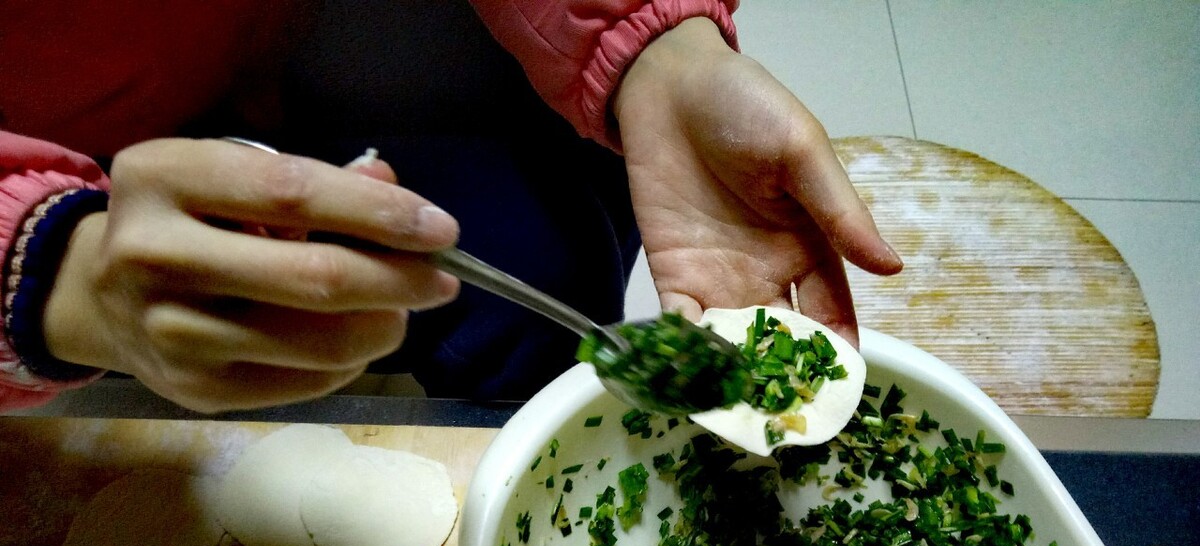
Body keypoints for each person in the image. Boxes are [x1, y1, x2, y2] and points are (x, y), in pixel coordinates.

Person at [0, 0, 901, 414]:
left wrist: (644, 41)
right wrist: (36, 261)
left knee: (546, 275)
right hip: (71, 148)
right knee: (207, 352)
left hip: (418, 27)